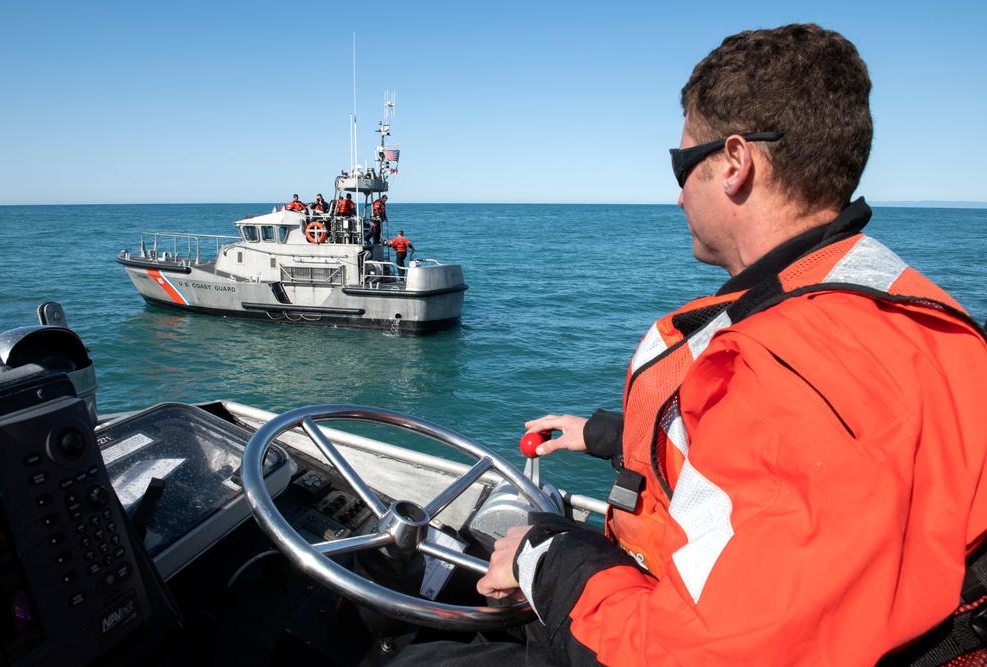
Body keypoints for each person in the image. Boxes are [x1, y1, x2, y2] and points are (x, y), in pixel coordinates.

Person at [401, 24, 987, 666]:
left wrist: (545, 556)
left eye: (682, 165)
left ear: (736, 163)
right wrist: (607, 435)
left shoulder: (781, 373)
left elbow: (693, 654)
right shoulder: (907, 313)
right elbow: (803, 468)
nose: (678, 194)